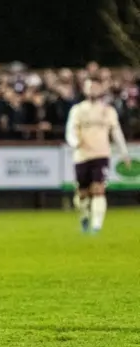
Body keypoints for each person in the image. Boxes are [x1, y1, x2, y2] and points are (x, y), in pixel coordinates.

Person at [66, 78, 130, 234]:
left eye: (95, 87)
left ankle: (96, 226)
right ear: (85, 90)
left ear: (101, 89)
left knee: (99, 189)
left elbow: (116, 132)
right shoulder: (78, 110)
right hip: (82, 155)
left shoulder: (108, 110)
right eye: (90, 87)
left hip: (101, 154)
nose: (93, 90)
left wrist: (124, 152)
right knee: (82, 193)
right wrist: (74, 143)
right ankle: (85, 216)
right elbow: (70, 130)